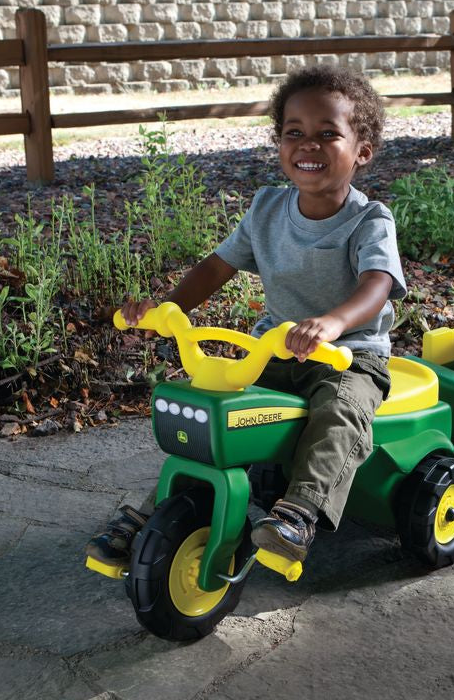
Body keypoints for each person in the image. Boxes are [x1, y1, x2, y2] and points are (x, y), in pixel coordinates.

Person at [87, 65, 406, 570]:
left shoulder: (370, 220)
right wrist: (167, 310)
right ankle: (159, 511)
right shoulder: (267, 208)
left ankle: (298, 515)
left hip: (348, 355)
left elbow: (377, 286)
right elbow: (217, 266)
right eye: (294, 133)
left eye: (329, 134)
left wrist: (334, 322)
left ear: (362, 151)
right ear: (278, 142)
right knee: (217, 415)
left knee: (339, 413)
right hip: (275, 350)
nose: (309, 145)